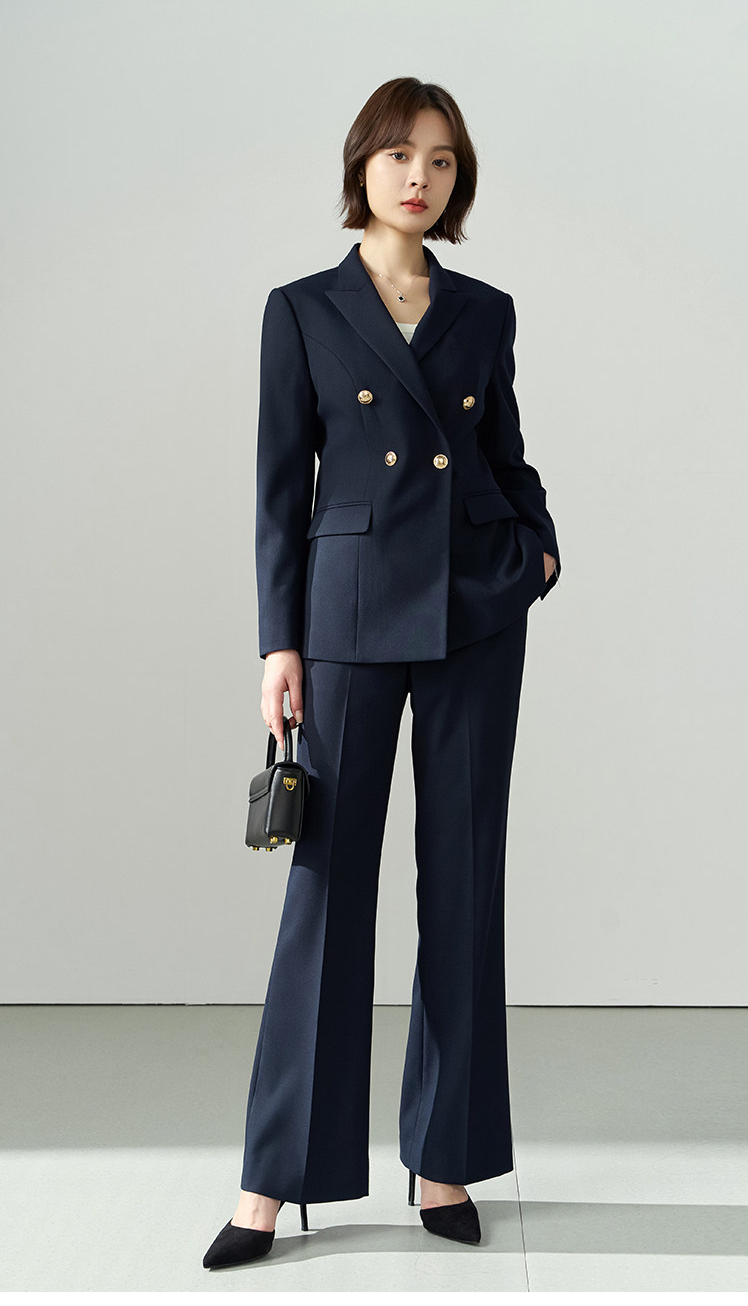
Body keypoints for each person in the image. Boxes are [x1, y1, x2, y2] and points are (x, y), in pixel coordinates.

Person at [202, 76, 560, 1270]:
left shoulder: (484, 310)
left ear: (459, 182)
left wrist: (538, 547)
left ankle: (443, 1158)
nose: (420, 175)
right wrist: (279, 641)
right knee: (324, 891)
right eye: (401, 153)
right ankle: (272, 1177)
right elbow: (278, 485)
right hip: (346, 616)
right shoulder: (302, 309)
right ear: (362, 164)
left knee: (462, 883)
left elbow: (504, 450)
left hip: (473, 613)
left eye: (443, 160)